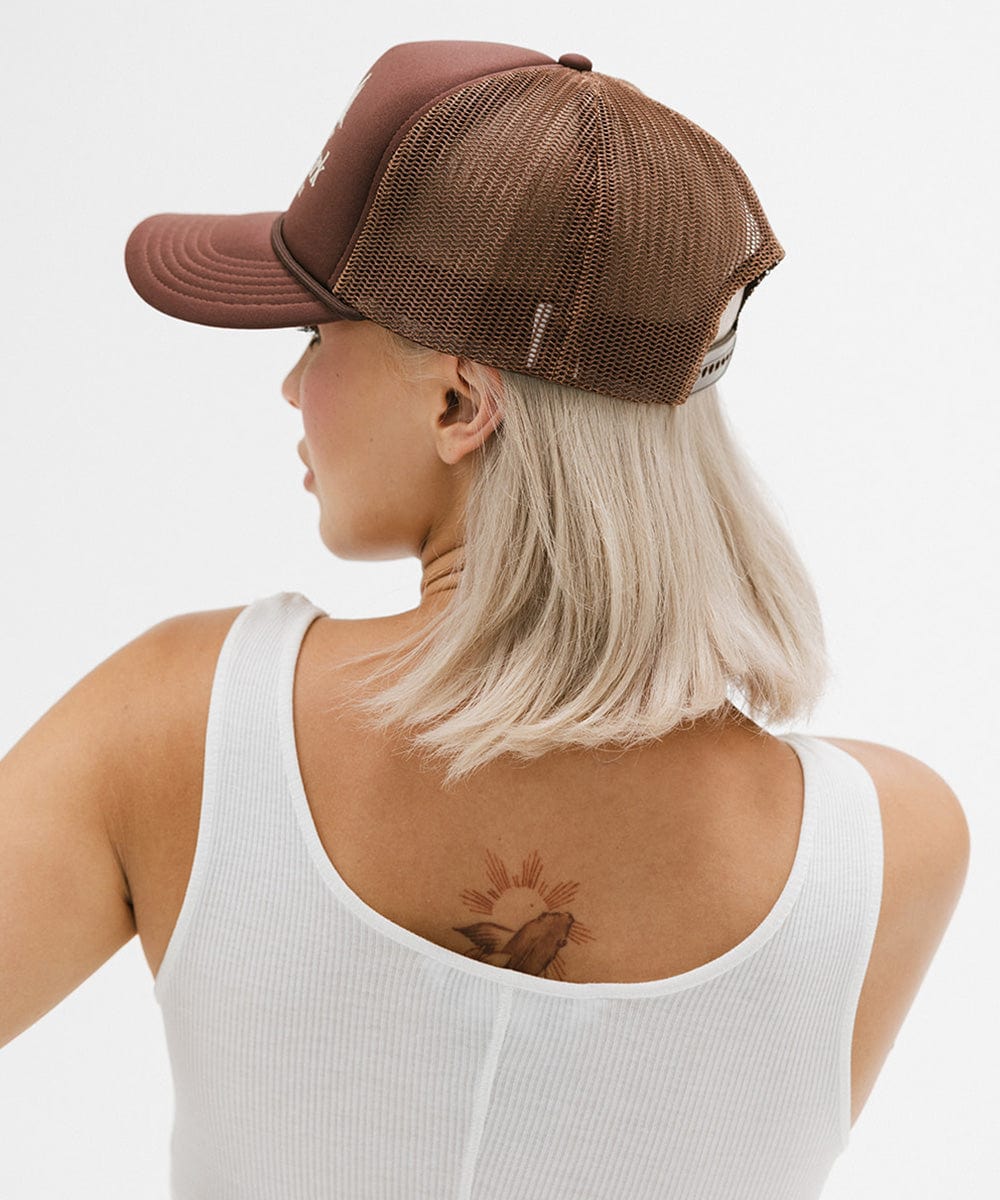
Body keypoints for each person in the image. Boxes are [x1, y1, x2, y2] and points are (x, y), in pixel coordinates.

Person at [0, 38, 969, 1200]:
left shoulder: (179, 725)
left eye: (314, 335)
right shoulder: (886, 850)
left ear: (460, 401)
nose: (290, 388)